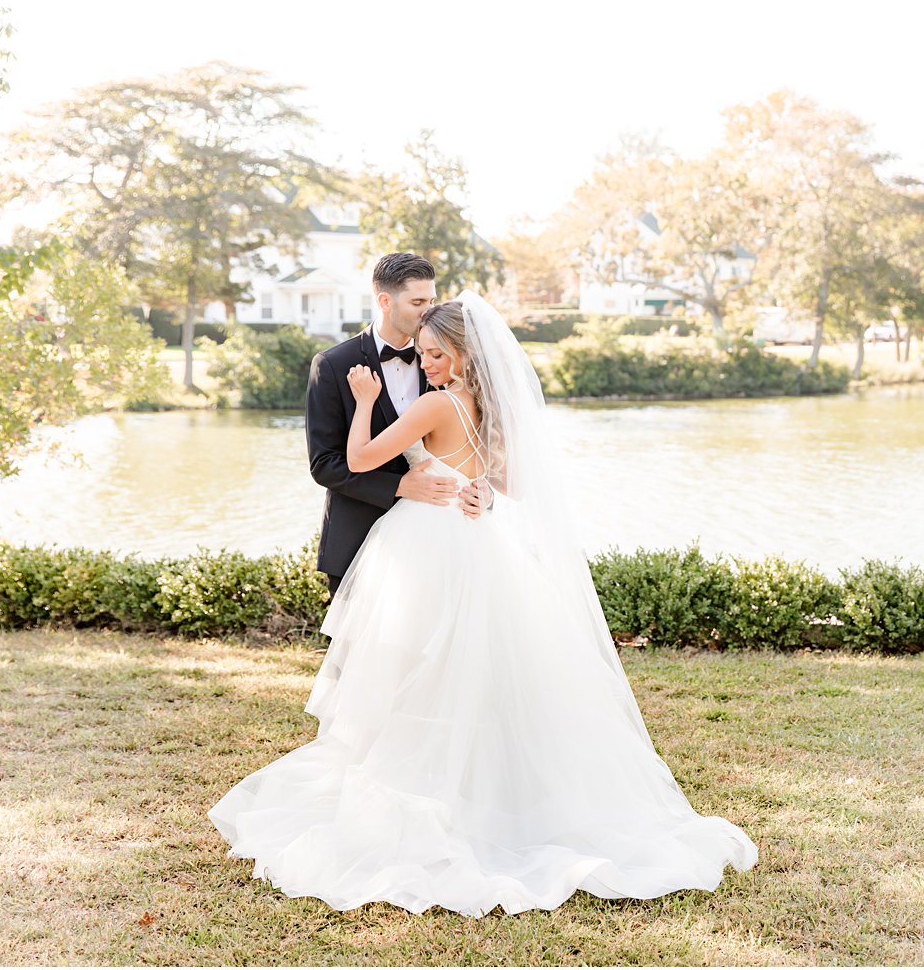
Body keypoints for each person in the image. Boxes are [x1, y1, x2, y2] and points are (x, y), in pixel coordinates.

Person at [208, 290, 758, 916]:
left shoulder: (438, 403)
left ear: (465, 356)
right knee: (480, 669)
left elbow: (360, 459)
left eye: (437, 354)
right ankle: (486, 791)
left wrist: (363, 404)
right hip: (481, 544)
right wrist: (484, 495)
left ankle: (432, 795)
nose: (427, 364)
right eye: (422, 353)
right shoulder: (492, 408)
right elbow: (513, 484)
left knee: (422, 670)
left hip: (428, 545)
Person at [303, 253, 491, 598]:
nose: (428, 311)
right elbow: (324, 465)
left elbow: (480, 446)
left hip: (441, 539)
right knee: (360, 650)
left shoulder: (444, 362)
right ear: (385, 301)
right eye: (418, 301)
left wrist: (485, 492)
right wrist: (399, 486)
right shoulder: (333, 365)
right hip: (357, 538)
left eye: (432, 300)